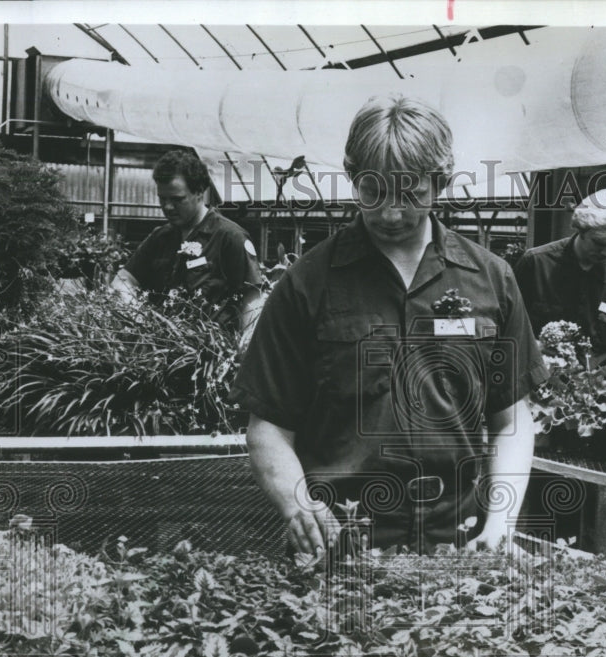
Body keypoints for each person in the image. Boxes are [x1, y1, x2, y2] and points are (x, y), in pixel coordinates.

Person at [232, 95, 548, 558]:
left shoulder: (491, 279)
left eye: (410, 193)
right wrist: (297, 504)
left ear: (439, 182)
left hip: (457, 544)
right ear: (352, 177)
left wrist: (500, 521)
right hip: (339, 542)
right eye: (373, 192)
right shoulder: (309, 284)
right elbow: (268, 427)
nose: (391, 214)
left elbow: (511, 419)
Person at [111, 149, 264, 347]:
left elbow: (252, 298)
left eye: (176, 199)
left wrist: (243, 351)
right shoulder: (160, 238)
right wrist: (135, 314)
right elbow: (124, 280)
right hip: (160, 353)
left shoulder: (230, 237)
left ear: (200, 192)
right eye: (162, 198)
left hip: (210, 356)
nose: (167, 207)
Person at [513, 189, 606, 370]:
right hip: (543, 375)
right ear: (581, 229)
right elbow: (510, 326)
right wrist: (538, 349)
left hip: (601, 383)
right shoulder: (536, 264)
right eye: (599, 244)